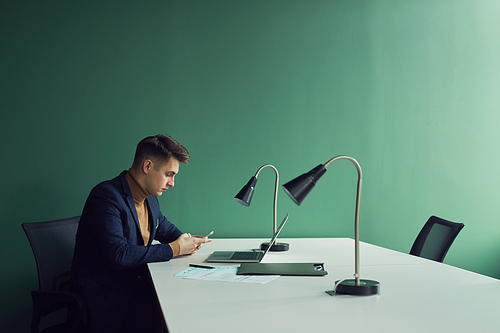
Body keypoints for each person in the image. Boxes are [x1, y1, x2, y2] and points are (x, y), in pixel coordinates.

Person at [71, 134, 211, 333]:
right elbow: (119, 255)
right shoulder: (106, 196)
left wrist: (188, 241)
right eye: (169, 174)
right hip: (107, 296)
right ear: (148, 166)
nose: (172, 183)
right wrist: (175, 249)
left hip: (136, 287)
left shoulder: (150, 199)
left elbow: (166, 229)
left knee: (188, 306)